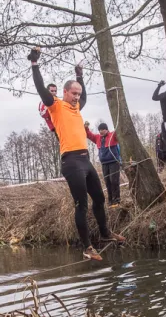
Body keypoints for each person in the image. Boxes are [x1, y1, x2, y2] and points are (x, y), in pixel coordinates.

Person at [28, 47, 125, 261]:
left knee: (99, 198)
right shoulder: (56, 105)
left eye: (78, 94)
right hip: (71, 161)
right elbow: (40, 89)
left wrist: (80, 74)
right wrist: (35, 64)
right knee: (81, 203)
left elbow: (86, 96)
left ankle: (105, 233)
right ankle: (87, 247)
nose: (77, 97)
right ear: (65, 92)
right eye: (74, 93)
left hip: (85, 160)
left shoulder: (77, 108)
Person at [86, 122, 121, 207]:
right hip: (104, 163)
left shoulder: (112, 135)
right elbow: (89, 135)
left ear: (106, 129)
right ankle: (110, 200)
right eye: (99, 130)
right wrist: (86, 128)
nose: (101, 131)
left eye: (102, 129)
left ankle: (116, 200)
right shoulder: (97, 138)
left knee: (114, 181)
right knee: (107, 182)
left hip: (114, 162)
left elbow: (119, 131)